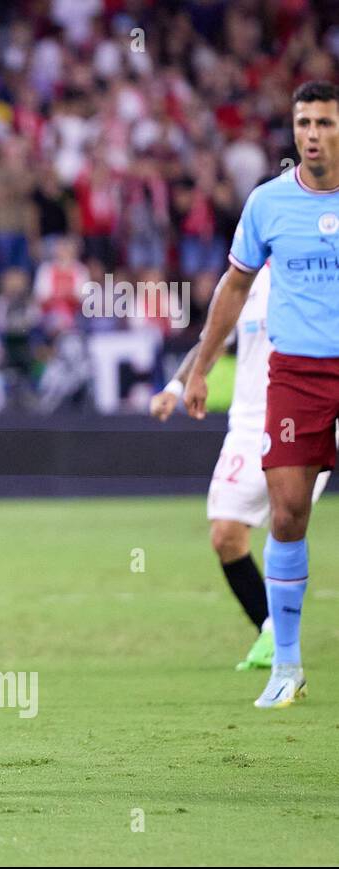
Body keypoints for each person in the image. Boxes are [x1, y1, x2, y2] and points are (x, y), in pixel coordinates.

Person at [185, 81, 339, 709]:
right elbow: (233, 285)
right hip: (297, 375)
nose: (312, 133)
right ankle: (287, 661)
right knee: (286, 515)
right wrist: (198, 368)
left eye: (324, 123)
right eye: (304, 122)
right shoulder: (269, 203)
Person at [152, 261, 330, 670]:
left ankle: (286, 651)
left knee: (285, 523)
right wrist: (177, 386)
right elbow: (211, 339)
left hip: (304, 418)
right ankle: (270, 630)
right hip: (249, 424)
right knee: (225, 534)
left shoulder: (320, 267)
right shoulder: (242, 279)